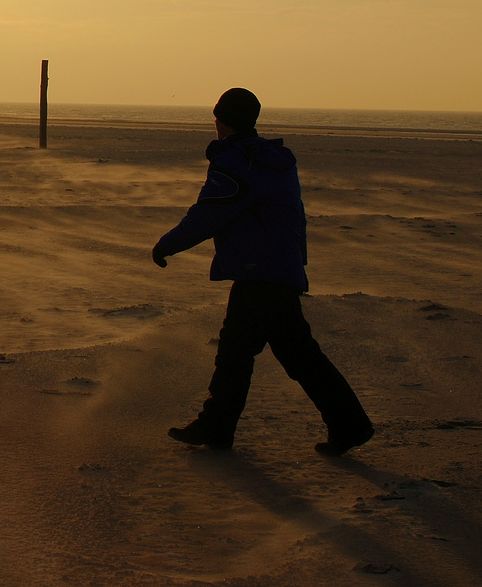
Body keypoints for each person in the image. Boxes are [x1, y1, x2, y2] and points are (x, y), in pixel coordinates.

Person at [152, 88, 373, 455]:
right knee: (285, 352)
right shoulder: (272, 159)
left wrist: (167, 244)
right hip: (278, 268)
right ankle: (347, 424)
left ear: (220, 119)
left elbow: (210, 212)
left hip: (260, 272)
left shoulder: (239, 163)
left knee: (242, 352)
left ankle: (218, 426)